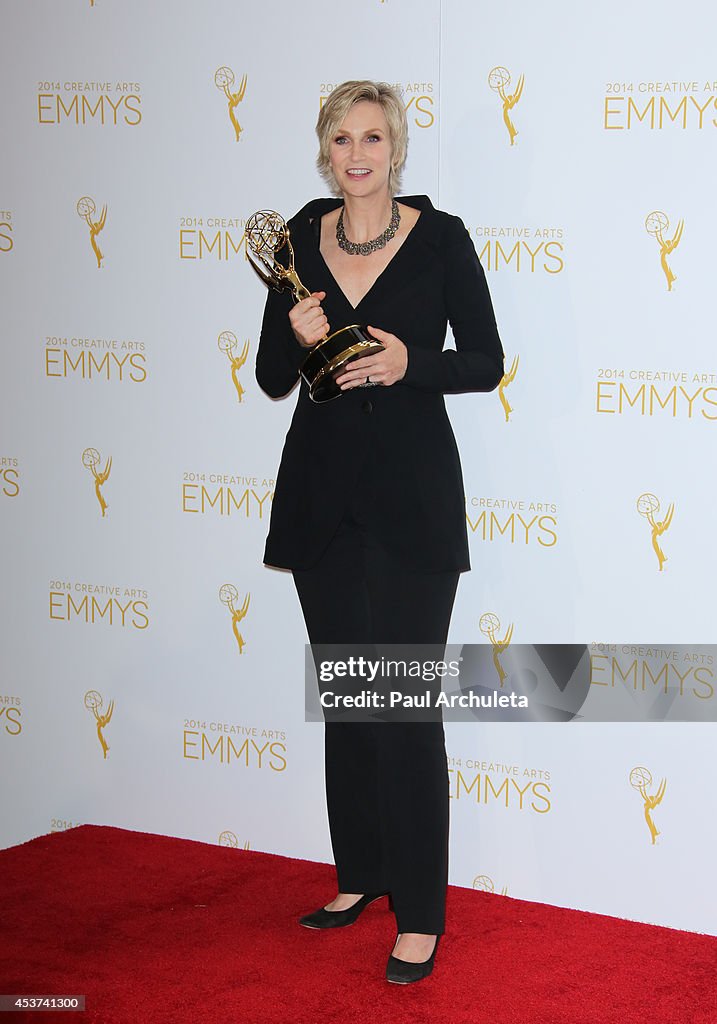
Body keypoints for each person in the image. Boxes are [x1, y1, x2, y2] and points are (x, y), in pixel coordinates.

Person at [255, 80, 504, 984]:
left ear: (396, 149)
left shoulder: (440, 237)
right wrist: (293, 328)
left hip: (409, 501)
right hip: (320, 495)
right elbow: (270, 376)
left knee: (401, 705)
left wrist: (409, 363)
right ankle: (359, 874)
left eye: (371, 138)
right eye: (339, 139)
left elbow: (484, 359)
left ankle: (421, 910)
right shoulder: (296, 238)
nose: (355, 154)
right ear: (324, 151)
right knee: (349, 699)